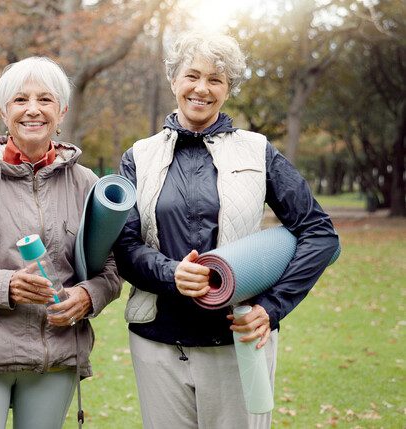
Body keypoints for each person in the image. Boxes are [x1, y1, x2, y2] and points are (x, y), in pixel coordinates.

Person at [113, 31, 340, 428]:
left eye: (216, 80)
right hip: (157, 343)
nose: (202, 88)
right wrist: (171, 273)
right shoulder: (138, 156)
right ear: (174, 81)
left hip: (238, 341)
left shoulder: (258, 151)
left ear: (228, 89)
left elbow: (319, 234)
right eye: (192, 75)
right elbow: (126, 246)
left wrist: (271, 309)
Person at [0, 56, 122, 429]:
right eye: (20, 100)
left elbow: (112, 270)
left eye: (45, 100)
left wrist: (87, 296)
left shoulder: (86, 183)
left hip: (56, 354)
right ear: (4, 112)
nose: (32, 110)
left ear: (62, 110)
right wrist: (8, 285)